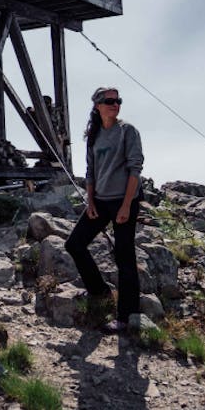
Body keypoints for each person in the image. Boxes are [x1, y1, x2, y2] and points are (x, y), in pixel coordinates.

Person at [64, 86, 144, 333]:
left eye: (118, 100)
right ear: (97, 105)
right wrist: (90, 202)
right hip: (99, 201)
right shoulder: (94, 135)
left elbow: (135, 169)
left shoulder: (127, 131)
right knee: (74, 244)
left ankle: (126, 316)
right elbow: (90, 172)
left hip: (123, 200)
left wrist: (127, 205)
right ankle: (99, 291)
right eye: (109, 100)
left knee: (124, 257)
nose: (115, 104)